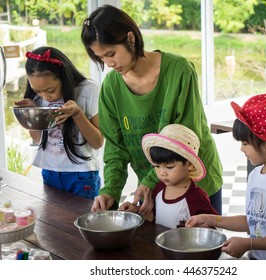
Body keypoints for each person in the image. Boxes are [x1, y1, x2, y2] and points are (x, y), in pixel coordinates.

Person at [81, 4, 223, 214]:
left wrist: (149, 181)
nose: (108, 62)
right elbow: (115, 149)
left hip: (195, 183)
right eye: (100, 57)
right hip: (154, 185)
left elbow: (186, 138)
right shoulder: (111, 87)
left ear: (131, 38)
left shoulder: (179, 71)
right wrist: (110, 190)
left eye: (111, 53)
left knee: (202, 244)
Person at [186, 93, 266, 260]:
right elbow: (252, 221)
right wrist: (211, 219)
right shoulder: (255, 176)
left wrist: (248, 244)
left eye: (245, 144)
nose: (242, 149)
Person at [14, 46, 104, 199]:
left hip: (81, 175)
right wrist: (32, 113)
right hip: (50, 172)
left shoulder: (87, 90)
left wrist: (77, 114)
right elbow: (38, 139)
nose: (45, 96)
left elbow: (97, 142)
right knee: (53, 220)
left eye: (50, 90)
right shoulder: (37, 99)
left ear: (64, 77)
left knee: (80, 220)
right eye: (37, 91)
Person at [119, 124, 218, 228]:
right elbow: (154, 216)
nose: (162, 172)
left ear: (189, 165)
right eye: (156, 166)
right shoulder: (159, 188)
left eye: (169, 167)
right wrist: (135, 210)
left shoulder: (196, 197)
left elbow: (212, 227)